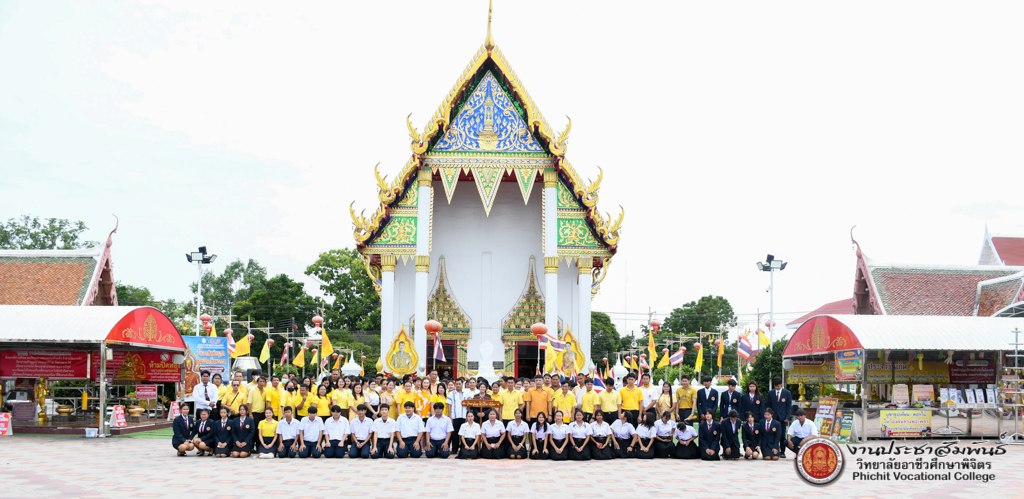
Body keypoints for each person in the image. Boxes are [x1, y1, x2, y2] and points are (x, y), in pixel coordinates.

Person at [766, 378, 793, 458]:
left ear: (781, 384)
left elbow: (788, 406)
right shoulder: (770, 393)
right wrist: (768, 416)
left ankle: (782, 451)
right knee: (772, 434)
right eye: (775, 386)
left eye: (778, 386)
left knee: (781, 435)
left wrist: (787, 417)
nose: (777, 387)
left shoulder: (787, 393)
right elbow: (768, 405)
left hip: (783, 418)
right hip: (773, 417)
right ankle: (772, 449)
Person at [447, 378, 469, 456]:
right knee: (455, 434)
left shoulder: (466, 394)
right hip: (455, 416)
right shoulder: (451, 394)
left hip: (464, 416)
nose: (458, 385)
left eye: (460, 384)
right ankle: (454, 449)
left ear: (462, 384)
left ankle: (463, 448)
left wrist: (468, 416)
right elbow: (449, 406)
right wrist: (450, 416)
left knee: (464, 433)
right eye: (457, 384)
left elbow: (468, 405)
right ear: (455, 385)